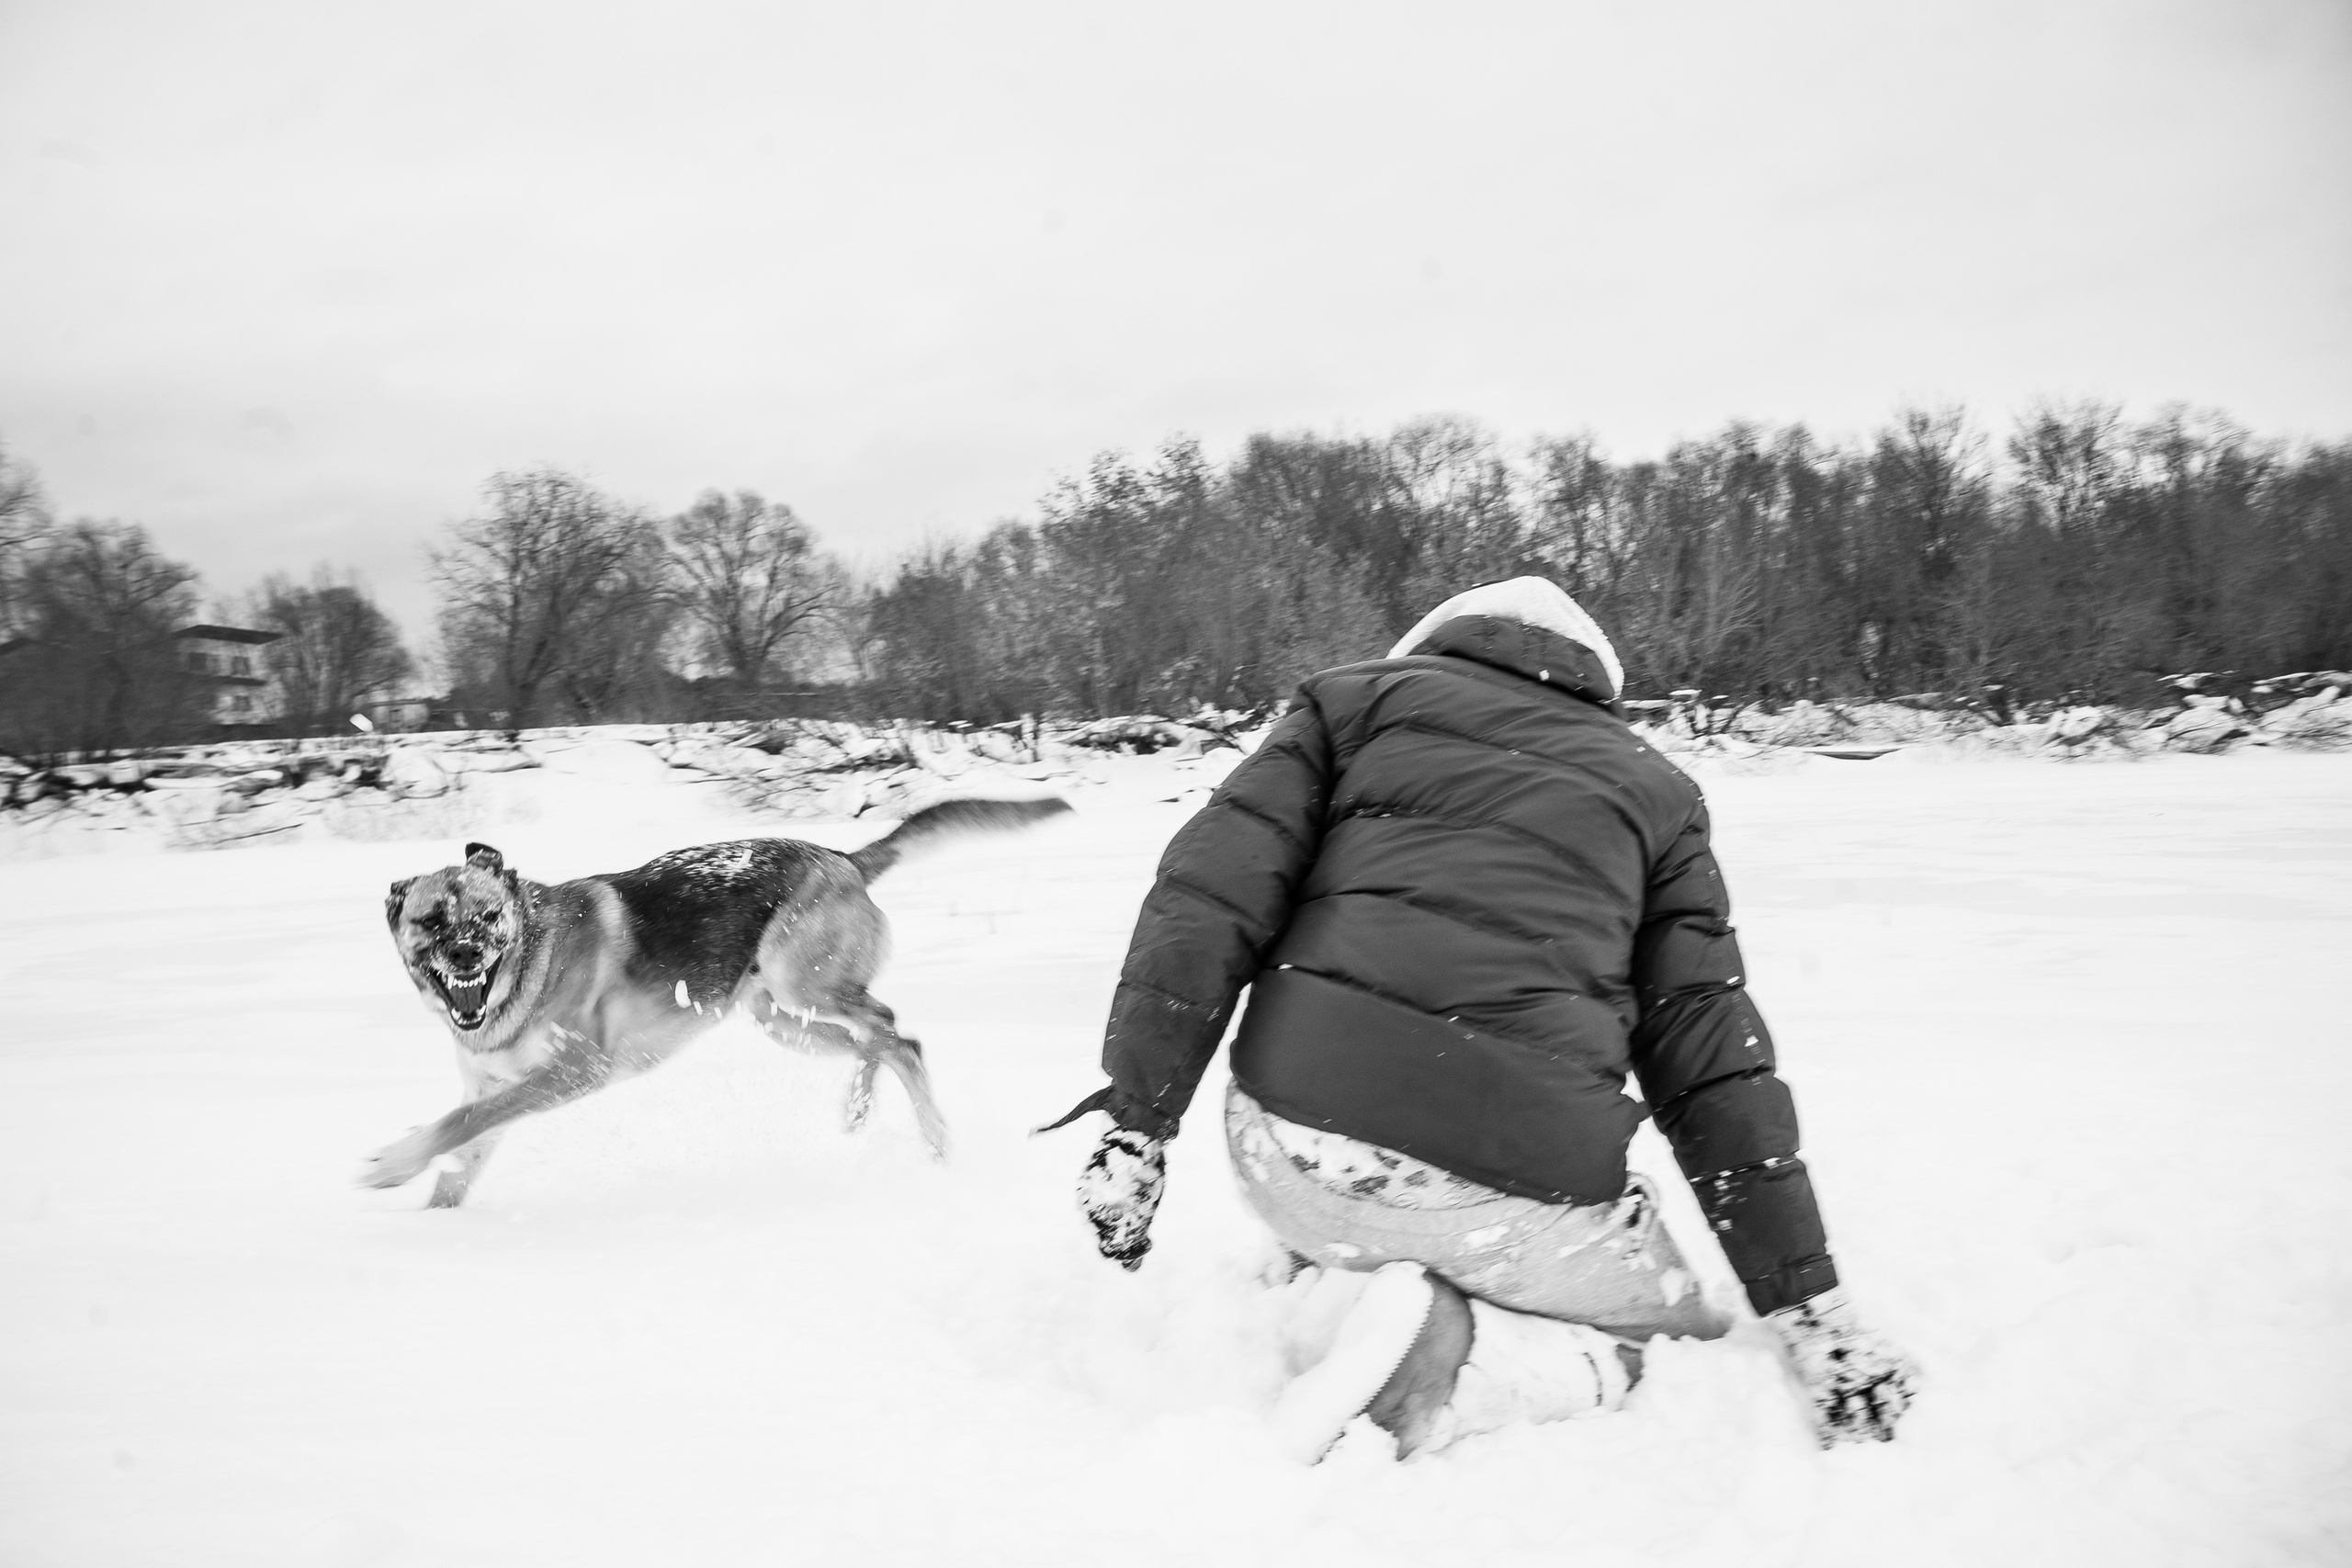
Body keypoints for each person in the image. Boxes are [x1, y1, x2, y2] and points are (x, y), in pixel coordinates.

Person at [1044, 577, 1917, 1458]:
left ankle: (1344, 1284)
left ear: (1433, 648)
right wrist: (1811, 1308)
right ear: (1594, 687)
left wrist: (1138, 1123)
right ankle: (1474, 1362)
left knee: (1346, 1167)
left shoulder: (1348, 704)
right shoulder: (1658, 792)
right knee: (1681, 1332)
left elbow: (1205, 903)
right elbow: (1710, 1058)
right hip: (1507, 1203)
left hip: (1286, 1154)